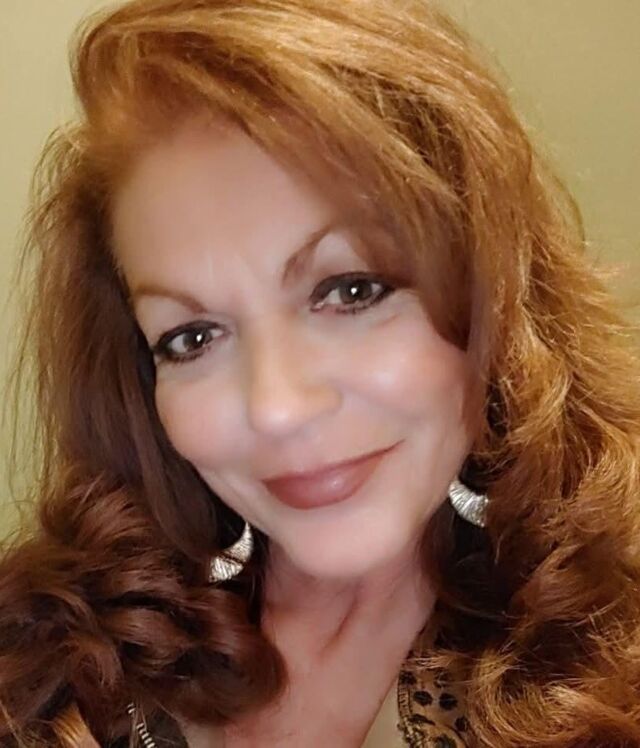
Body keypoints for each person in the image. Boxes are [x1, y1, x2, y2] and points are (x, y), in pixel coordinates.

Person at [1, 0, 640, 745]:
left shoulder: (611, 670)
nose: (277, 407)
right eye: (193, 337)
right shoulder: (48, 663)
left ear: (491, 292)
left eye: (351, 291)